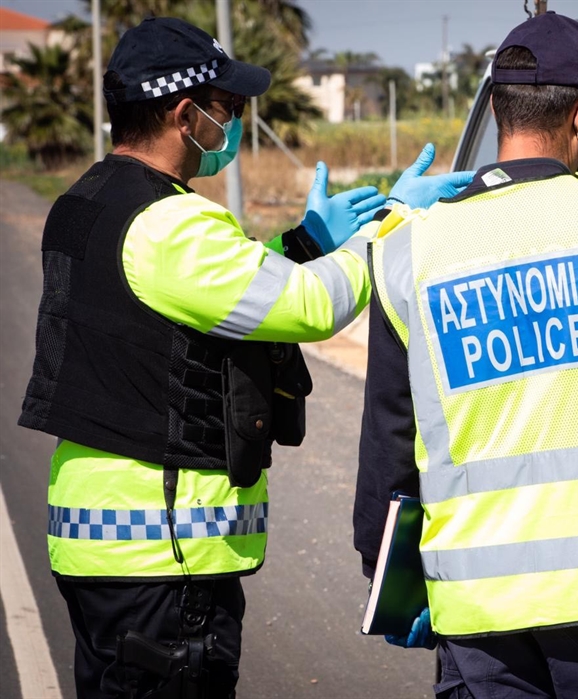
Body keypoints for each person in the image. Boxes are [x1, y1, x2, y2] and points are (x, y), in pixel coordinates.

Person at [17, 16, 470, 699]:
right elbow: (313, 305)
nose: (231, 123)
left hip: (96, 540)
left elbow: (198, 298)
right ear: (184, 115)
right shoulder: (170, 225)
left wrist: (305, 243)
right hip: (164, 556)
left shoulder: (85, 202)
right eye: (225, 108)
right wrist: (391, 226)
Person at [353, 12, 578, 698]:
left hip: (478, 612)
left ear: (498, 108)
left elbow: (389, 436)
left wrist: (387, 570)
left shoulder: (409, 247)